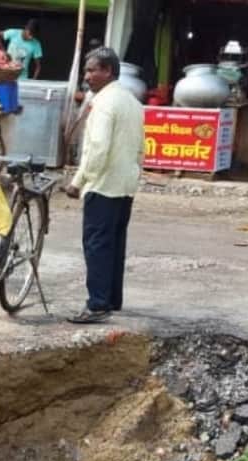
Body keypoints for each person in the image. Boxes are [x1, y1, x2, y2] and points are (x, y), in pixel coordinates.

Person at [65, 47, 145, 325]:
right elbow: (141, 147)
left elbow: (98, 148)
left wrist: (78, 181)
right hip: (124, 184)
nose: (87, 76)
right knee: (114, 243)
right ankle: (111, 298)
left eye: (92, 70)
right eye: (86, 71)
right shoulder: (131, 101)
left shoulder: (105, 103)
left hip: (103, 184)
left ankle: (98, 304)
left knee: (97, 245)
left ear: (108, 71)